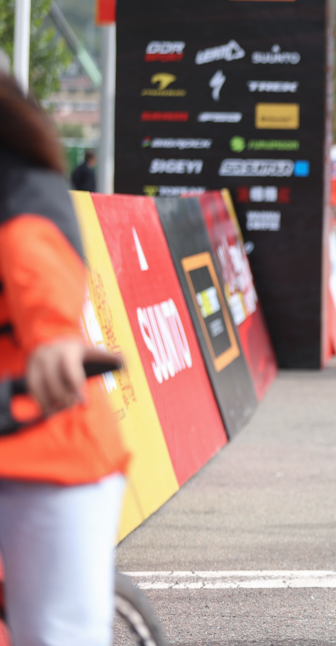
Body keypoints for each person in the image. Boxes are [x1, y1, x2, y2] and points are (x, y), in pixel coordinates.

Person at [0, 73, 130, 646]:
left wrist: (54, 339)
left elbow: (40, 275)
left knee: (55, 636)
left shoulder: (24, 196)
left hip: (44, 455)